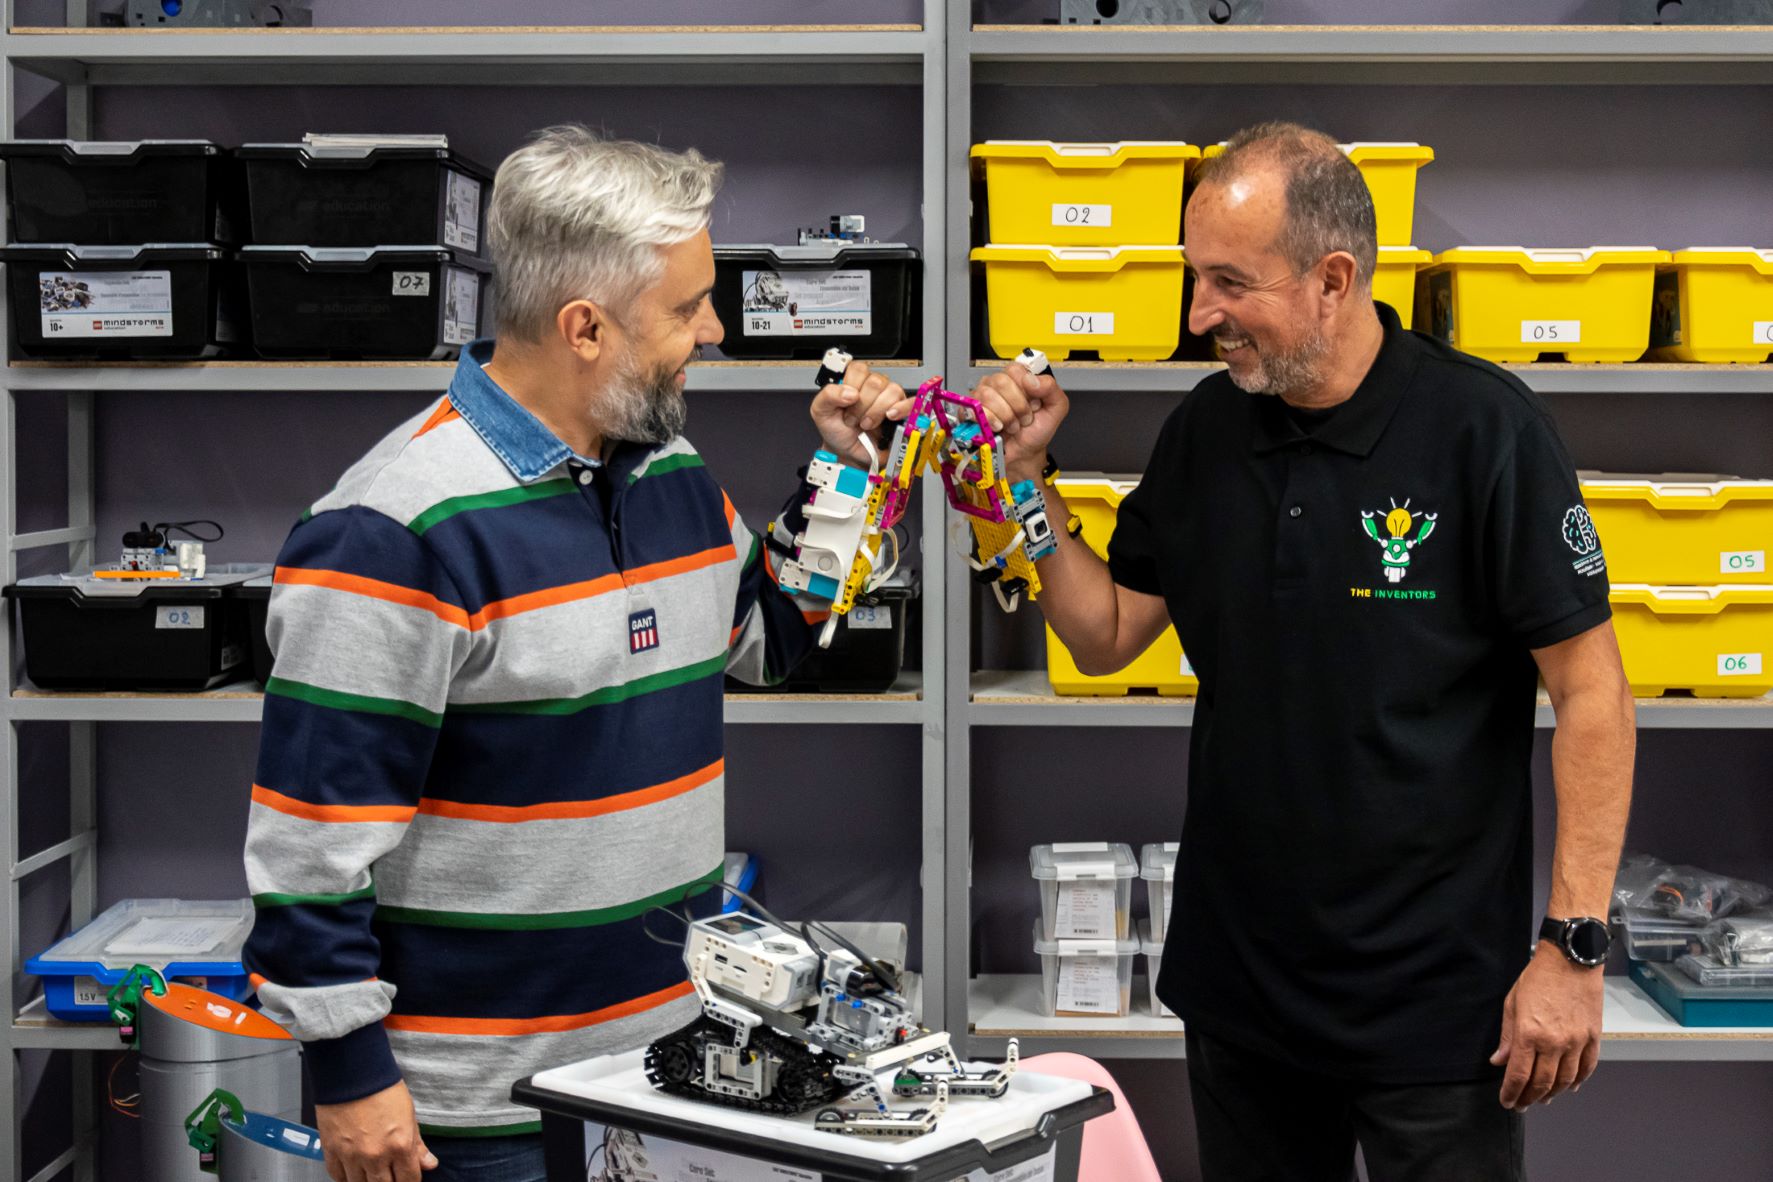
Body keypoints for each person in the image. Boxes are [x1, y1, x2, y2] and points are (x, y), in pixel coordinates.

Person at [242, 126, 911, 1182]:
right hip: (478, 1119)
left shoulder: (670, 471)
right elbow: (307, 852)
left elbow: (768, 641)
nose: (714, 331)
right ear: (585, 327)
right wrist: (347, 1071)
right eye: (687, 308)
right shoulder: (392, 530)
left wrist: (848, 471)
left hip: (667, 1079)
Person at [969, 122, 1636, 1181]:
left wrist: (1573, 947)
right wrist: (1021, 480)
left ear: (1333, 279)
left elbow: (1593, 693)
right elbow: (1103, 634)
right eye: (1194, 278)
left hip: (1437, 1009)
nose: (1200, 315)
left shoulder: (1482, 430)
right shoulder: (1207, 428)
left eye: (1230, 284)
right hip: (1241, 997)